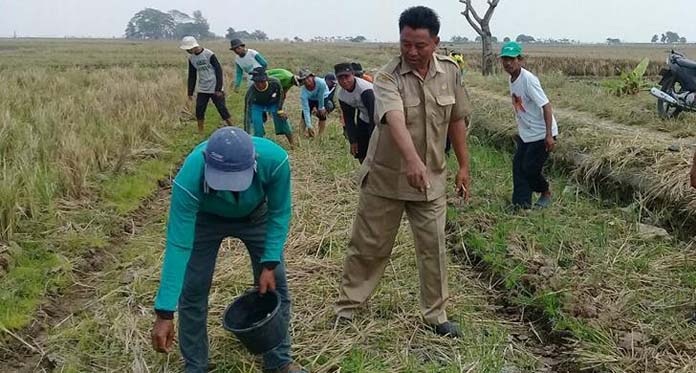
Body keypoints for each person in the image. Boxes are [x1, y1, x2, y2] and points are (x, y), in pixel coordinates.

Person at [334, 6, 471, 338]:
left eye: (419, 45)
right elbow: (394, 118)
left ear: (435, 43)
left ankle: (436, 315)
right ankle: (348, 309)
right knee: (369, 246)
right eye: (405, 43)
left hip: (432, 180)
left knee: (434, 248)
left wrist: (464, 166)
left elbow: (456, 119)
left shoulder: (450, 72)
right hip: (386, 178)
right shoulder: (386, 76)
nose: (411, 51)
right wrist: (412, 160)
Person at [150, 127, 305, 373]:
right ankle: (196, 365)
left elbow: (279, 213)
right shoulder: (189, 177)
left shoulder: (275, 161)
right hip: (207, 220)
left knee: (276, 285)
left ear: (253, 161)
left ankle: (279, 361)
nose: (231, 188)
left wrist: (270, 262)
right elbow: (178, 245)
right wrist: (165, 311)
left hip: (257, 216)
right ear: (206, 163)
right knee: (193, 289)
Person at [500, 41, 558, 209]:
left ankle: (545, 191)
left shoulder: (528, 80)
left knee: (529, 168)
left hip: (541, 133)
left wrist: (549, 135)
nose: (508, 63)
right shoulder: (512, 78)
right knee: (518, 167)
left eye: (512, 59)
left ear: (520, 60)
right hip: (527, 133)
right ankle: (521, 205)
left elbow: (546, 106)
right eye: (505, 59)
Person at [180, 36, 233, 134]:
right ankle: (200, 131)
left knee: (222, 109)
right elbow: (192, 76)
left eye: (188, 49)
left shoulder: (209, 54)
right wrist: (190, 92)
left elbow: (218, 71)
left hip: (214, 86)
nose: (187, 51)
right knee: (199, 109)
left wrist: (218, 88)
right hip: (203, 88)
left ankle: (233, 128)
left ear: (194, 46)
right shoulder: (191, 58)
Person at [244, 67, 295, 147]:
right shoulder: (251, 92)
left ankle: (292, 143)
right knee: (257, 125)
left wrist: (280, 109)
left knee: (282, 119)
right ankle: (259, 146)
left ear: (266, 79)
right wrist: (246, 133)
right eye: (257, 82)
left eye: (262, 81)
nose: (260, 85)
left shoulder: (275, 82)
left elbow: (281, 95)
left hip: (272, 102)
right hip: (257, 105)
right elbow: (247, 113)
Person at [335, 62, 375, 163]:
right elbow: (349, 119)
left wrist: (372, 139)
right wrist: (353, 140)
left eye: (347, 76)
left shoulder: (366, 90)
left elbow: (374, 116)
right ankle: (365, 174)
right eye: (340, 78)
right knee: (359, 151)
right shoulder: (342, 95)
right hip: (363, 118)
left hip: (379, 119)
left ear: (353, 74)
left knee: (375, 151)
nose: (344, 81)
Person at [298, 69, 333, 137]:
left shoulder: (321, 83)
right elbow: (306, 109)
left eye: (308, 77)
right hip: (311, 98)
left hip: (323, 96)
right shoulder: (304, 94)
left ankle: (320, 135)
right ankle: (301, 134)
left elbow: (321, 96)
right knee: (304, 115)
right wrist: (309, 125)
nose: (307, 80)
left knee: (322, 115)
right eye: (304, 79)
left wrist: (321, 108)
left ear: (312, 77)